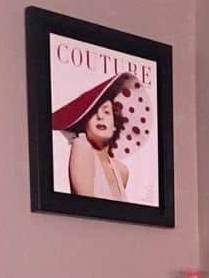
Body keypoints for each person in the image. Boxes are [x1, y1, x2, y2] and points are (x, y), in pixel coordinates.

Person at [51, 72, 152, 201]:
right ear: (85, 123)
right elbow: (86, 208)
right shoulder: (82, 146)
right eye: (93, 113)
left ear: (115, 124)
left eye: (106, 112)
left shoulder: (122, 171)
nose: (100, 116)